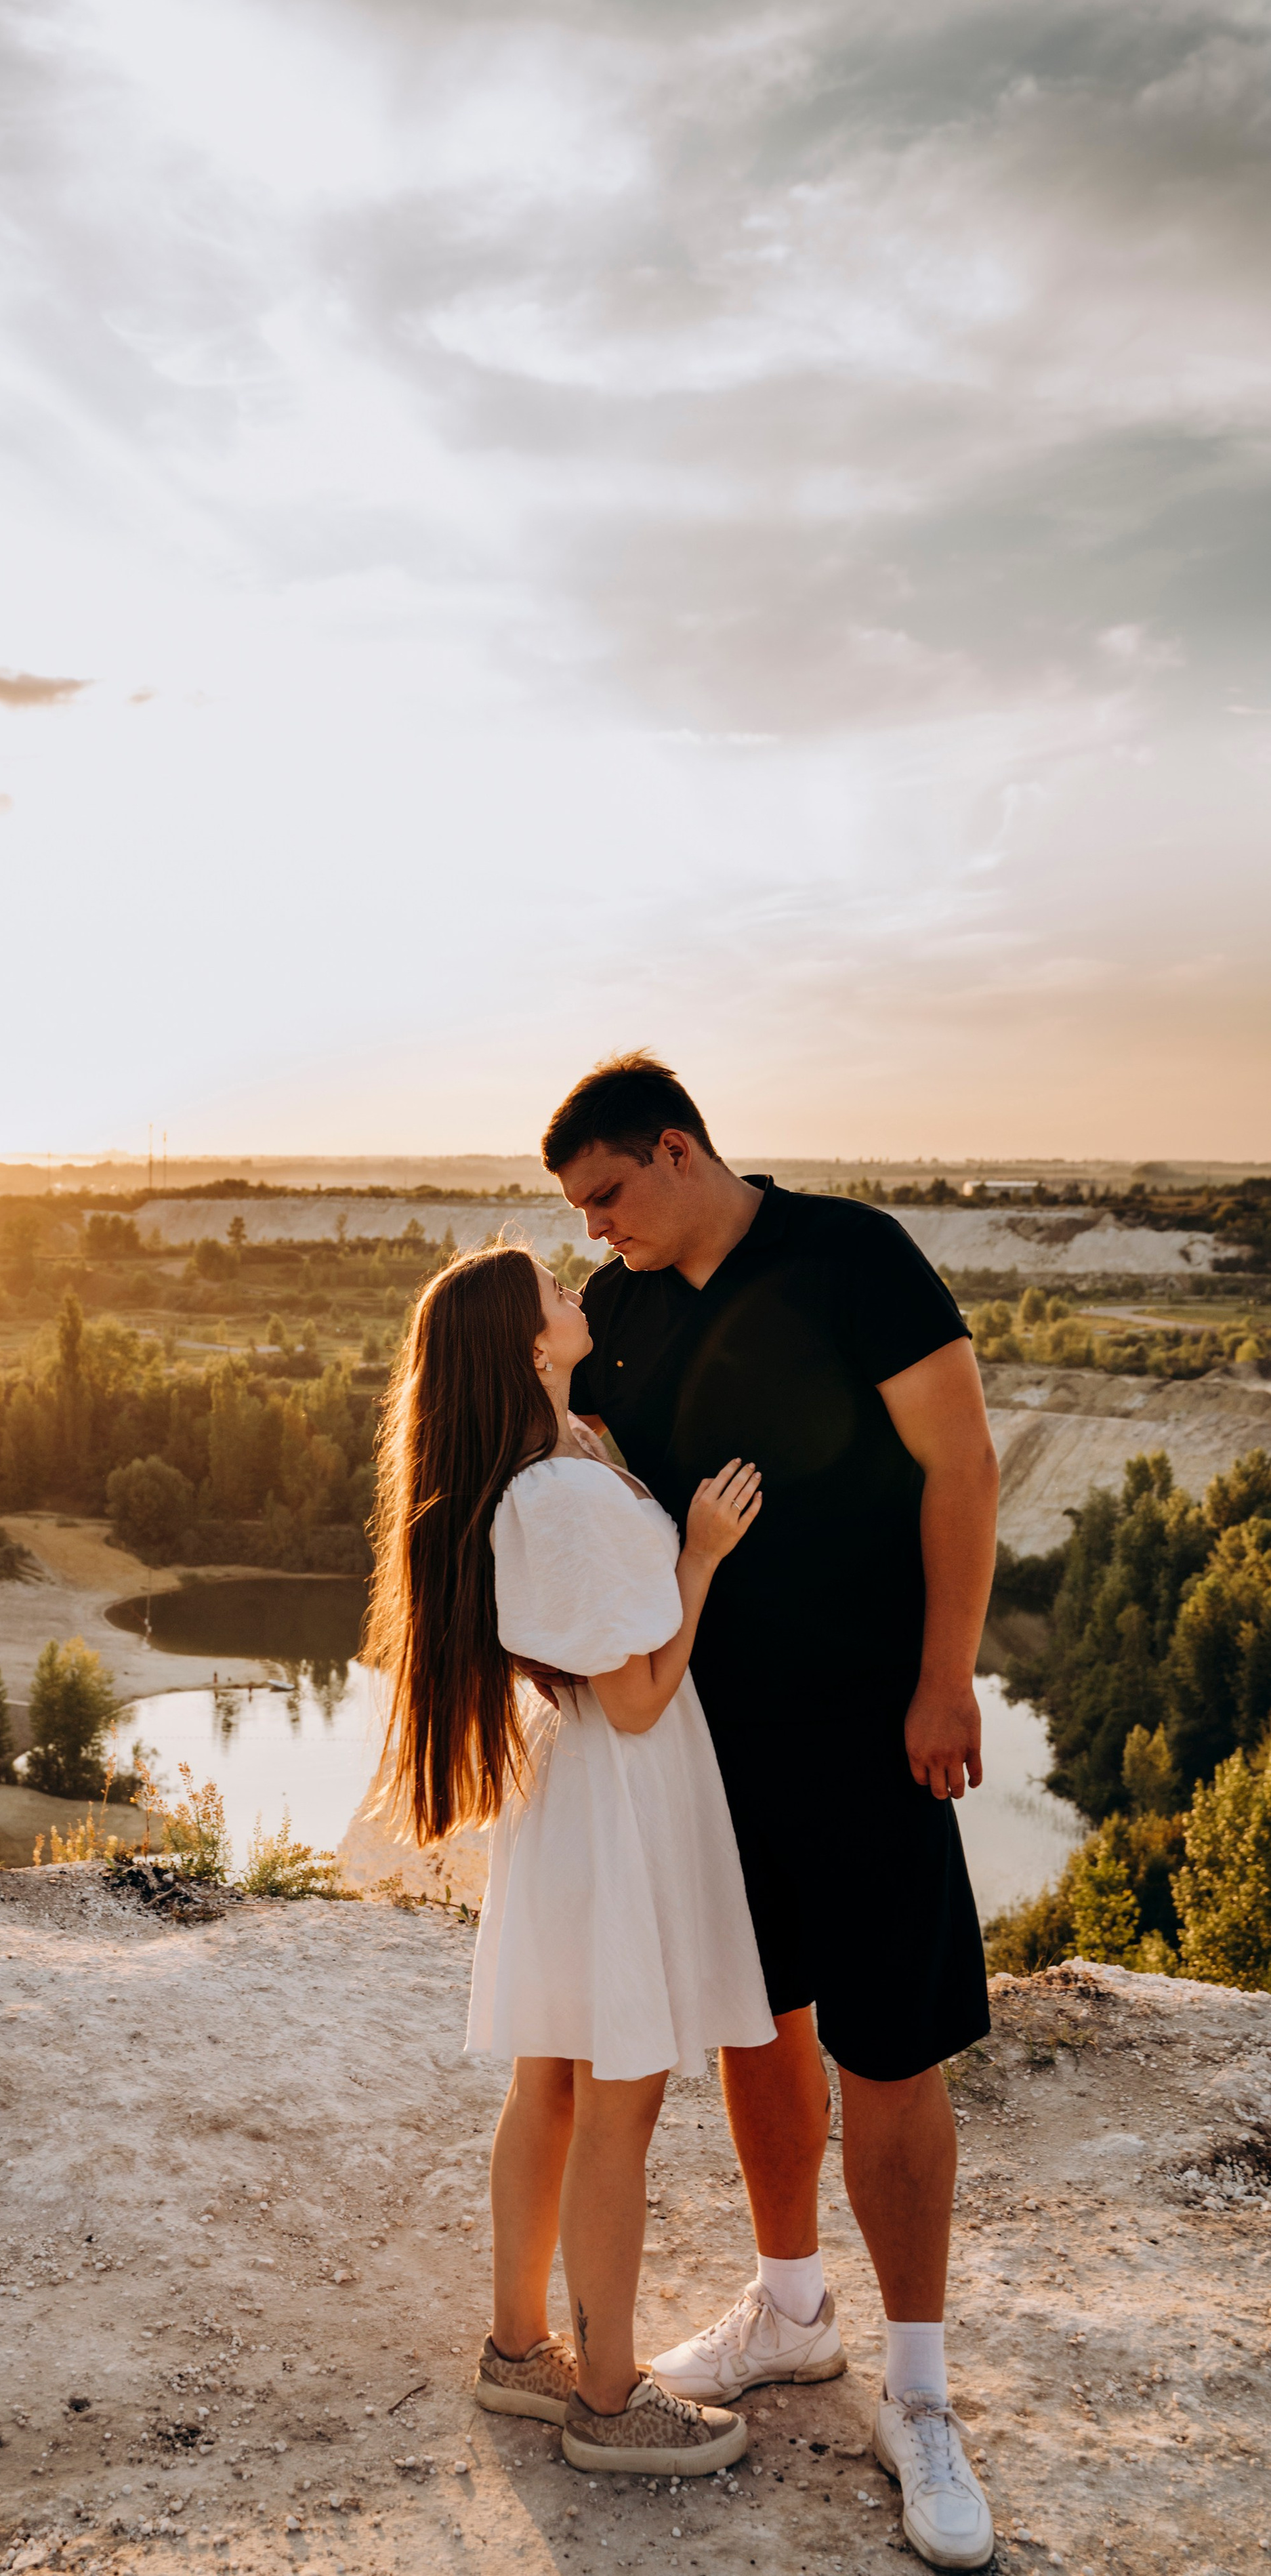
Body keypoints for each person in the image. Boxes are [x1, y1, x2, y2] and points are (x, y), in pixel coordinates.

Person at [543, 1052, 997, 2573]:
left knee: (886, 2043)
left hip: (871, 1729)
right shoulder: (618, 1312)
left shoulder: (853, 1256)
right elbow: (570, 1480)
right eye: (577, 1212)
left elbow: (960, 1463)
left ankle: (919, 2395)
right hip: (697, 1751)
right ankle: (790, 2307)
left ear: (677, 1149)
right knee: (758, 2021)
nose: (595, 1231)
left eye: (608, 1194)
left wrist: (945, 1676)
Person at [367, 1243, 778, 2480]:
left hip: (575, 1796)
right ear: (527, 1344)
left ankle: (517, 2351)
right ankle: (608, 2400)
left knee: (551, 2079)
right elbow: (644, 1698)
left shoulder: (558, 1466)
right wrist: (702, 1553)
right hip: (619, 1792)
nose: (575, 1293)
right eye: (553, 1291)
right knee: (620, 2100)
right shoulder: (566, 1492)